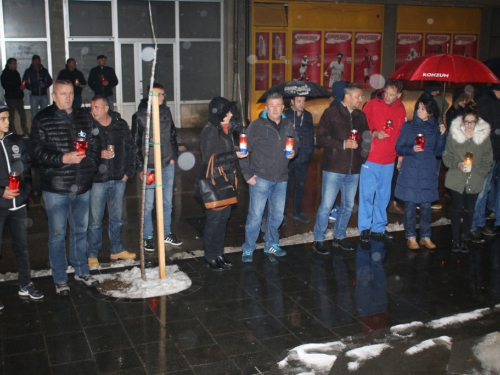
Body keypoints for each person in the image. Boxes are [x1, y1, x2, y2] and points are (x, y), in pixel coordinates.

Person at [30, 80, 100, 296]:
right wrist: (63, 158)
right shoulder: (43, 119)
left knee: (81, 231)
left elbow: (95, 145)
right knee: (58, 234)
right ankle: (60, 277)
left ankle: (81, 270)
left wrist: (91, 166)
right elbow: (35, 153)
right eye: (63, 93)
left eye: (70, 93)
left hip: (82, 187)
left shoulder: (83, 117)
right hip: (56, 189)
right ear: (53, 96)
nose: (68, 97)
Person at [240, 92, 298, 262]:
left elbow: (296, 143)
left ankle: (271, 243)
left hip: (281, 178)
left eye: (278, 105)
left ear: (283, 107)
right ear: (266, 108)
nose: (275, 109)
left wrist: (294, 152)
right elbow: (243, 150)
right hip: (260, 178)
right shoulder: (257, 125)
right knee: (255, 216)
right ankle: (248, 248)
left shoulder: (288, 125)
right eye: (271, 106)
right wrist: (247, 174)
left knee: (277, 215)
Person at [312, 83, 369, 254]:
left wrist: (362, 157)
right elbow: (321, 138)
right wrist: (342, 144)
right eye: (358, 96)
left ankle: (339, 236)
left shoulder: (360, 115)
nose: (361, 99)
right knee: (326, 205)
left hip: (353, 169)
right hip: (334, 168)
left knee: (347, 206)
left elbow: (366, 137)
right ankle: (319, 239)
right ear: (348, 96)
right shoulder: (331, 113)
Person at [0, 102, 43, 309]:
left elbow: (26, 168)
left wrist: (25, 191)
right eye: (3, 119)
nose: (8, 122)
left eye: (8, 118)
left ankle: (25, 283)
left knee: (22, 247)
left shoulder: (15, 140)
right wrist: (1, 191)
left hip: (18, 206)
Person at [87, 96, 136, 267]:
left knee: (116, 218)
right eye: (92, 107)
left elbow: (131, 148)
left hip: (118, 179)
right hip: (97, 181)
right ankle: (92, 253)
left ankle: (116, 249)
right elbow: (82, 150)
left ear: (106, 108)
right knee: (95, 220)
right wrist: (98, 154)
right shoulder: (89, 126)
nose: (93, 111)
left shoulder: (120, 125)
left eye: (97, 107)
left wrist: (127, 173)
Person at [198, 97, 247, 271]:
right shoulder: (209, 131)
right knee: (213, 220)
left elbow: (225, 151)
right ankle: (210, 256)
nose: (230, 114)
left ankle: (219, 253)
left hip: (226, 180)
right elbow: (210, 159)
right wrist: (235, 155)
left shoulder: (226, 129)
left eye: (230, 111)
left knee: (224, 219)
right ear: (218, 113)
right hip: (214, 182)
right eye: (226, 112)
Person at [133, 83, 182, 252]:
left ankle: (166, 232)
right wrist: (141, 167)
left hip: (167, 164)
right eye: (159, 94)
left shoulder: (166, 112)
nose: (163, 97)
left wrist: (173, 156)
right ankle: (147, 236)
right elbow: (135, 144)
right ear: (150, 95)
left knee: (167, 202)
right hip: (150, 167)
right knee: (148, 204)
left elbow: (173, 135)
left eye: (163, 94)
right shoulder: (140, 116)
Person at [358, 79, 406, 243]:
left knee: (384, 195)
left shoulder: (401, 108)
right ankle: (364, 228)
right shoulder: (371, 105)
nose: (388, 97)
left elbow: (401, 133)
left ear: (399, 95)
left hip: (389, 159)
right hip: (371, 157)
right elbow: (360, 126)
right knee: (367, 195)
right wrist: (374, 133)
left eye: (392, 95)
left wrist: (400, 154)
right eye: (387, 92)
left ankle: (378, 227)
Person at [395, 98, 447, 250]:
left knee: (426, 205)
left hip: (427, 170)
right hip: (411, 169)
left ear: (430, 113)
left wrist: (442, 135)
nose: (419, 110)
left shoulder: (436, 127)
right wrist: (411, 149)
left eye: (423, 109)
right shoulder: (408, 126)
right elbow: (398, 147)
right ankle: (410, 237)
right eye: (418, 107)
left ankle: (426, 236)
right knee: (410, 204)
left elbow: (438, 152)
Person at [443, 105, 492, 253]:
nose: (469, 125)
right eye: (467, 122)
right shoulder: (454, 136)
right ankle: (455, 239)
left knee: (469, 210)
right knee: (457, 209)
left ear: (477, 123)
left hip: (474, 179)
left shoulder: (483, 139)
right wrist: (456, 164)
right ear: (462, 122)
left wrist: (479, 172)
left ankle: (464, 239)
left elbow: (487, 159)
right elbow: (446, 156)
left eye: (472, 122)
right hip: (457, 179)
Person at [470, 84, 500, 240]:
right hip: (484, 153)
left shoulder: (493, 101)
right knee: (479, 192)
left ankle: (480, 223)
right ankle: (472, 226)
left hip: (494, 153)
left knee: (486, 189)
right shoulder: (485, 102)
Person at [415, 81, 449, 211]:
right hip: (429, 144)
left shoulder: (426, 99)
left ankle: (426, 199)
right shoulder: (429, 101)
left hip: (429, 142)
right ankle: (425, 200)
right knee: (430, 173)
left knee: (430, 173)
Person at [284, 95, 315, 223]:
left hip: (304, 156)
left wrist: (309, 150)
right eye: (298, 101)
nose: (301, 104)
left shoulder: (307, 116)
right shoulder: (285, 115)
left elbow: (311, 133)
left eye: (303, 101)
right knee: (285, 186)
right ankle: (283, 214)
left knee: (300, 186)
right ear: (292, 102)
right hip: (289, 157)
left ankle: (297, 212)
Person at [1, 58, 28, 135]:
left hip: (18, 97)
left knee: (23, 115)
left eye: (16, 64)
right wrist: (17, 88)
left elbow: (19, 84)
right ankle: (12, 132)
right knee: (11, 116)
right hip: (11, 97)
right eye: (14, 63)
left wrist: (21, 88)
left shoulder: (16, 73)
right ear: (9, 64)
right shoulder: (5, 73)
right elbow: (6, 85)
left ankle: (25, 131)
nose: (15, 65)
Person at [22, 55, 53, 121]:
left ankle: (43, 129)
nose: (36, 62)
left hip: (43, 94)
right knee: (34, 114)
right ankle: (34, 129)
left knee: (44, 114)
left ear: (40, 61)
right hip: (34, 95)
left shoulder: (44, 71)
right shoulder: (28, 71)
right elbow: (24, 81)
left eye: (37, 60)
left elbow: (50, 80)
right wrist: (31, 87)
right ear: (32, 62)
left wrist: (45, 85)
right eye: (35, 61)